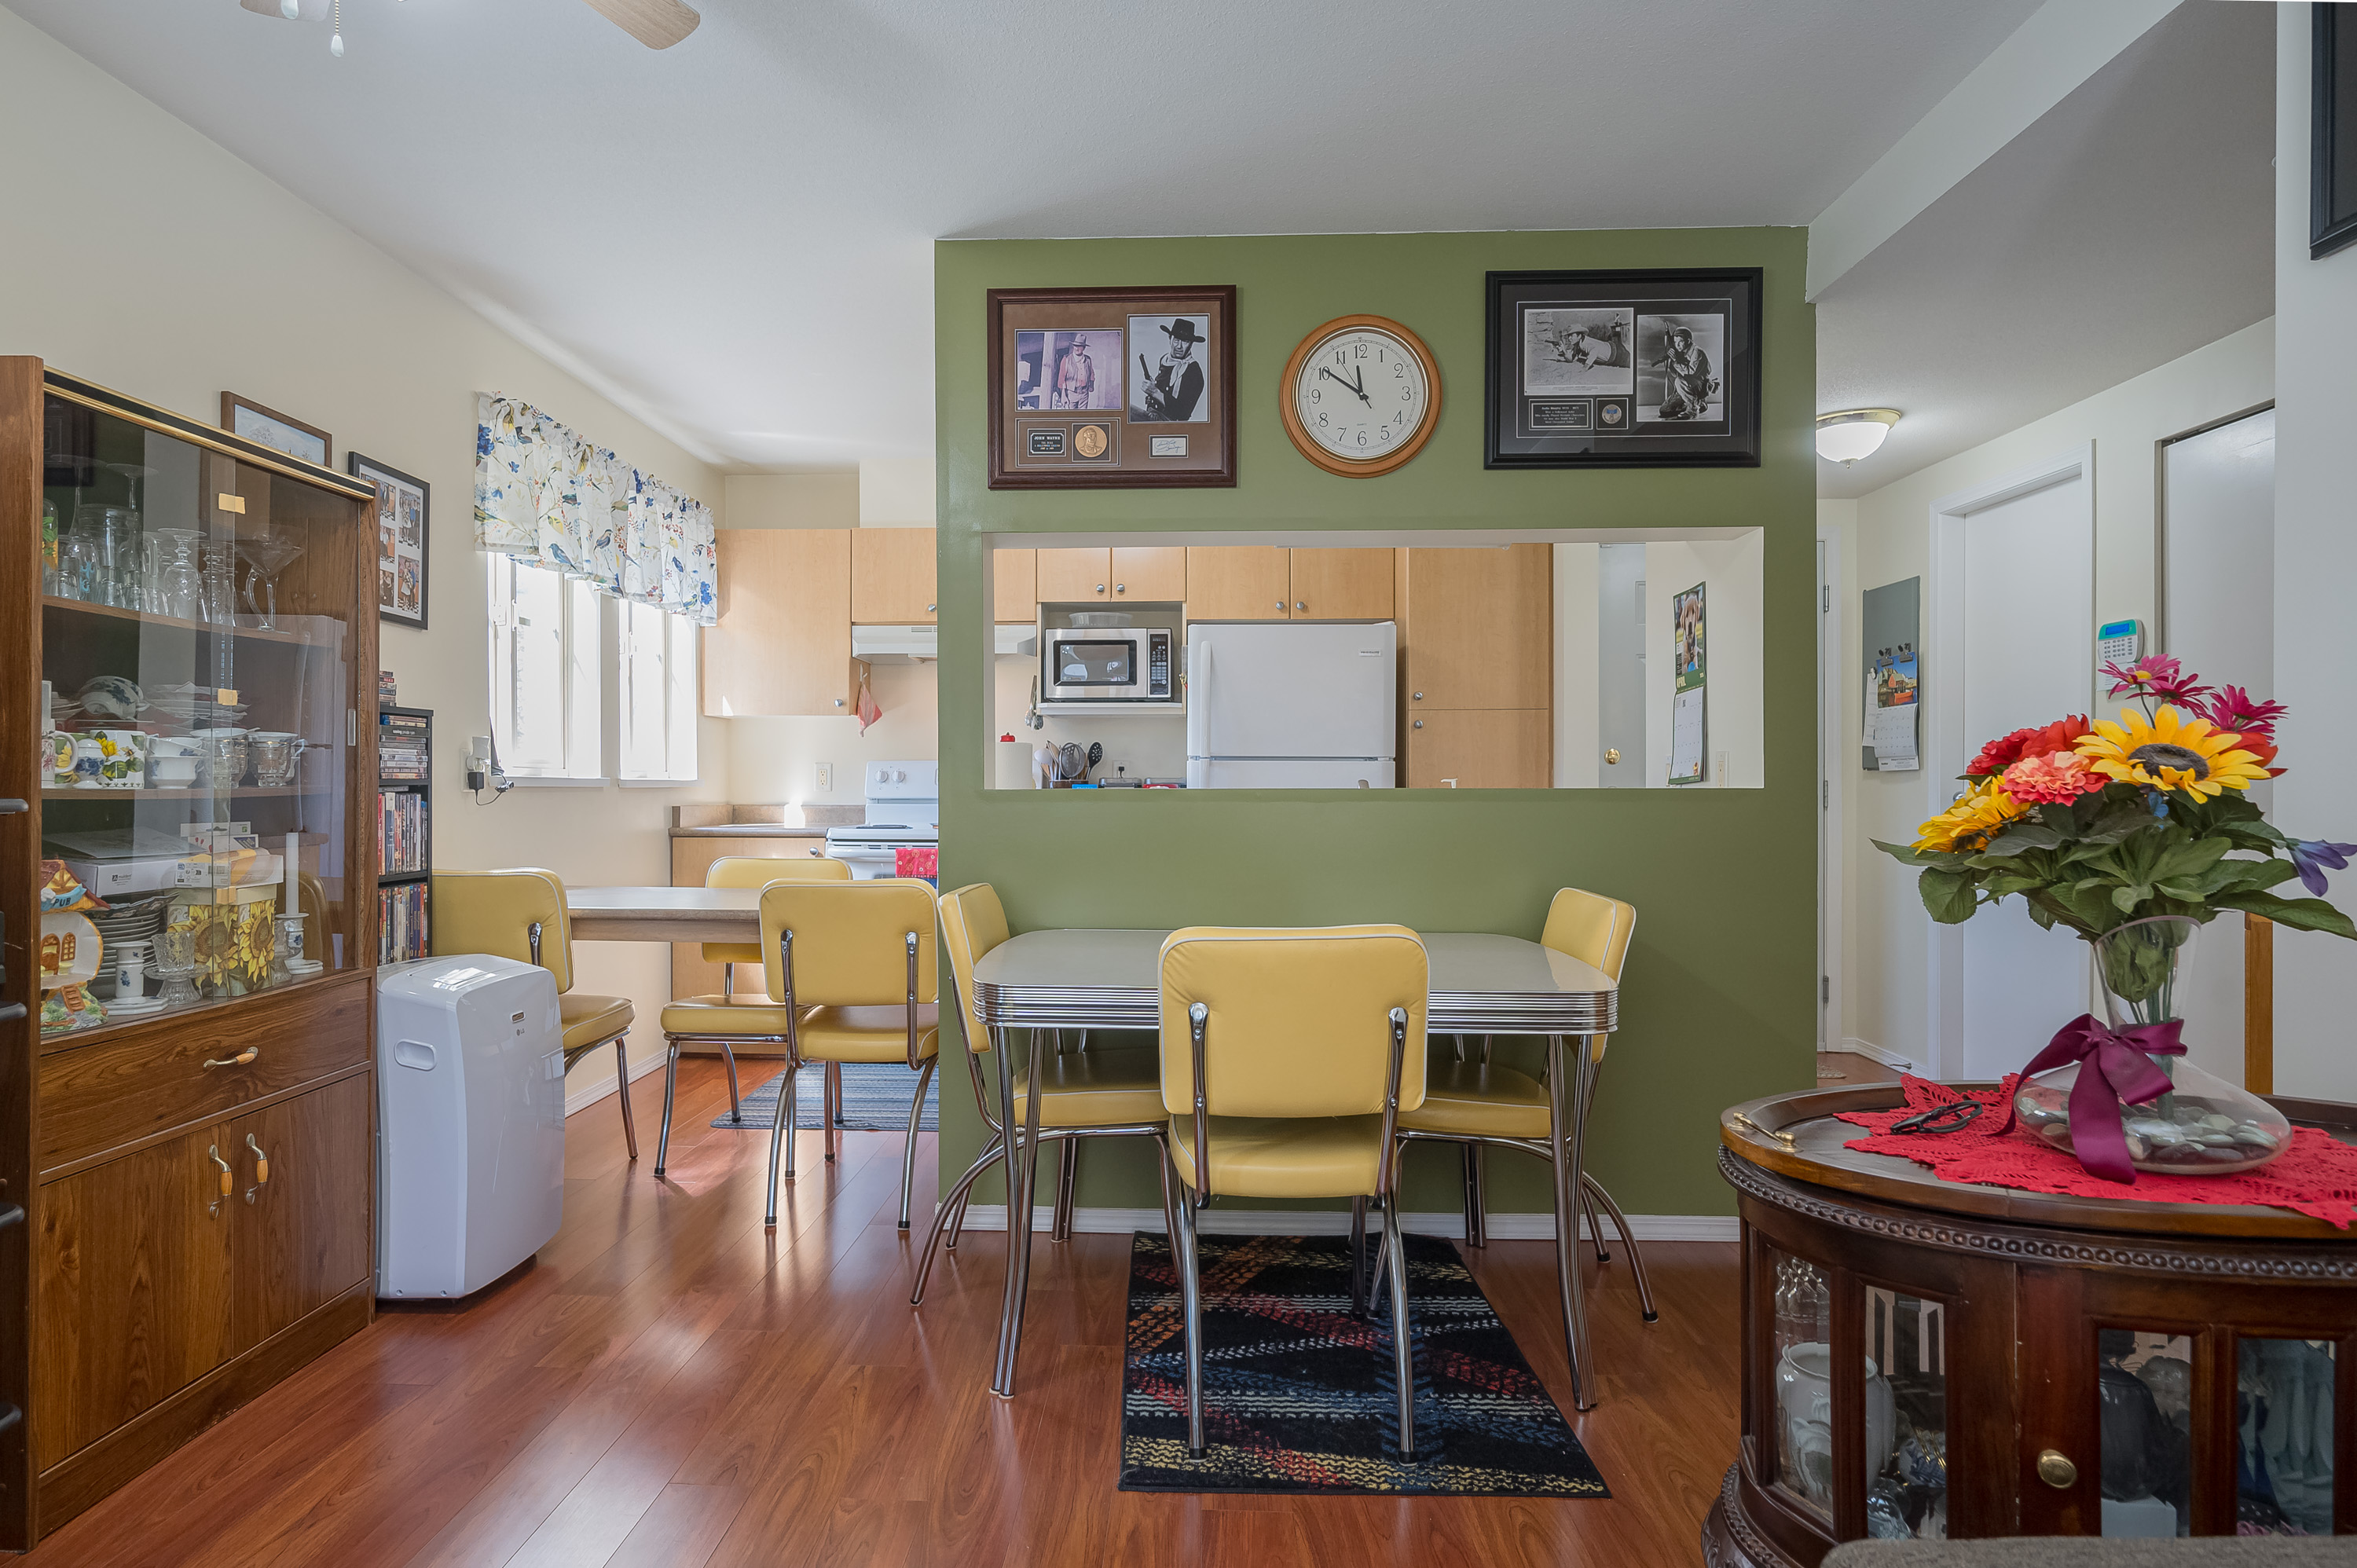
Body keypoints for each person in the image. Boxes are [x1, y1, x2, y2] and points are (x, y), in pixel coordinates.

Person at [1137, 317, 1206, 421]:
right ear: (1170, 339)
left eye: (1185, 342)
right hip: (1153, 414)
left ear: (1191, 344)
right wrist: (1153, 391)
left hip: (1169, 424)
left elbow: (1183, 414)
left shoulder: (1194, 371)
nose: (1179, 346)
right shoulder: (1165, 359)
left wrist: (1155, 392)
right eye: (1176, 340)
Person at [1650, 325, 1719, 420]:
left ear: (1688, 341)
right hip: (1687, 386)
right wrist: (1671, 362)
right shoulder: (1681, 352)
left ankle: (1693, 409)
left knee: (1679, 381)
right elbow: (1676, 374)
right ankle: (1698, 402)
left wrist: (1676, 362)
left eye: (1680, 342)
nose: (1677, 345)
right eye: (1675, 342)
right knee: (1665, 410)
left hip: (1699, 384)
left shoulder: (1697, 352)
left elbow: (1691, 372)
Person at [1054, 334, 1098, 410]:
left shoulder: (1088, 359)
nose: (1076, 348)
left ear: (1084, 348)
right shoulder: (1066, 359)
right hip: (1071, 394)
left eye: (1079, 346)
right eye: (1075, 345)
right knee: (1071, 415)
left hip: (1084, 394)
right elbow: (1062, 378)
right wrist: (1063, 395)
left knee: (1082, 415)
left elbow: (1091, 373)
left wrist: (1091, 385)